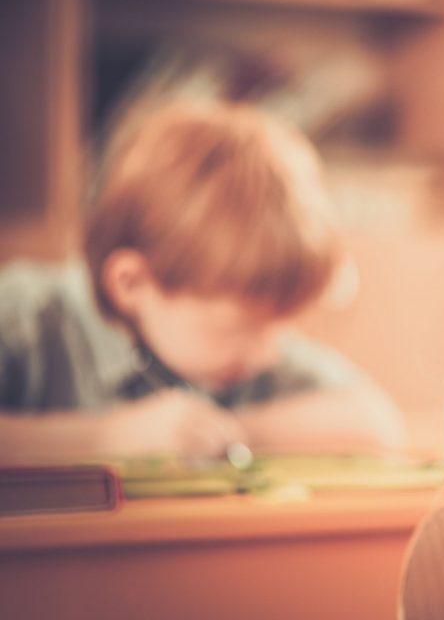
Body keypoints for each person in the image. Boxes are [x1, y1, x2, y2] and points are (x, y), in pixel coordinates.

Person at [0, 103, 406, 464]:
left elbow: (377, 424)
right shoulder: (24, 316)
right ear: (132, 284)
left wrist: (224, 432)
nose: (269, 354)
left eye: (276, 325)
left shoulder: (251, 349)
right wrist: (102, 439)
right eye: (242, 328)